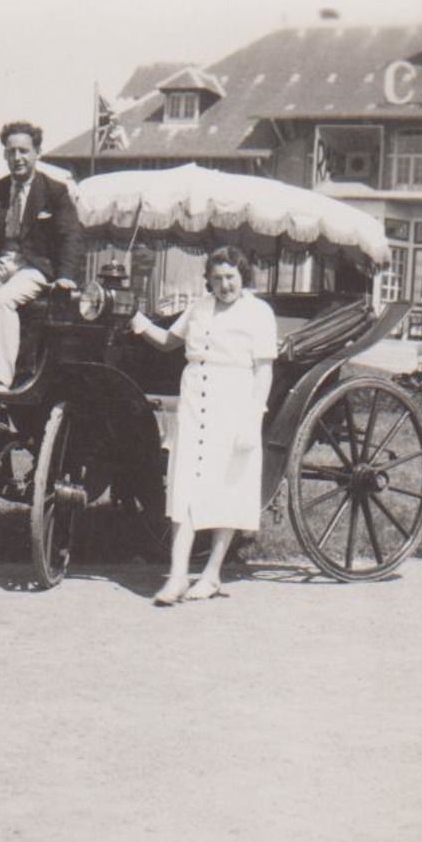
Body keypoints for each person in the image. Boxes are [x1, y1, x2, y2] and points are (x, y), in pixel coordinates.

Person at [129, 247, 278, 605]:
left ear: (243, 277)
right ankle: (177, 576)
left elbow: (264, 370)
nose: (224, 284)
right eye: (217, 278)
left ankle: (211, 574)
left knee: (227, 484)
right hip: (195, 400)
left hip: (234, 400)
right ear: (208, 279)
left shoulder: (258, 313)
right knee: (185, 485)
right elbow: (169, 342)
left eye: (231, 277)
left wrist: (252, 418)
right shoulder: (199, 307)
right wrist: (141, 324)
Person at [0, 121, 82, 394]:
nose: (18, 158)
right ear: (4, 154)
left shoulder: (54, 191)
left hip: (34, 267)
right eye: (11, 151)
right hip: (0, 262)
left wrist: (64, 276)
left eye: (24, 151)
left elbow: (70, 237)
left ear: (37, 152)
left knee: (4, 299)